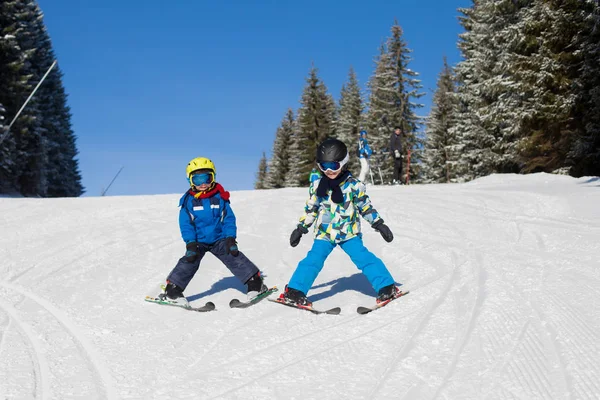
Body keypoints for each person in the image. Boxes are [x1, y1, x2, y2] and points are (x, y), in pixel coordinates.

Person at [278, 138, 402, 306]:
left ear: (343, 163)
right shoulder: (317, 186)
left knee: (364, 258)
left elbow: (365, 207)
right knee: (312, 260)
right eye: (324, 166)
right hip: (325, 233)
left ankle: (386, 287)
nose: (328, 171)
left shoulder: (353, 186)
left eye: (333, 166)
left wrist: (378, 224)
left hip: (348, 233)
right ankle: (294, 291)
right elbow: (311, 208)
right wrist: (301, 228)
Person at [160, 157, 268, 305]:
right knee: (190, 260)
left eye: (207, 178)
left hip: (219, 238)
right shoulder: (188, 201)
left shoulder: (220, 197)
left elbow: (228, 218)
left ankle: (255, 283)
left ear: (213, 177)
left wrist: (230, 238)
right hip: (198, 240)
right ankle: (173, 289)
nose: (203, 183)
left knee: (233, 255)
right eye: (197, 179)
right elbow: (186, 224)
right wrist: (190, 243)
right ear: (191, 181)